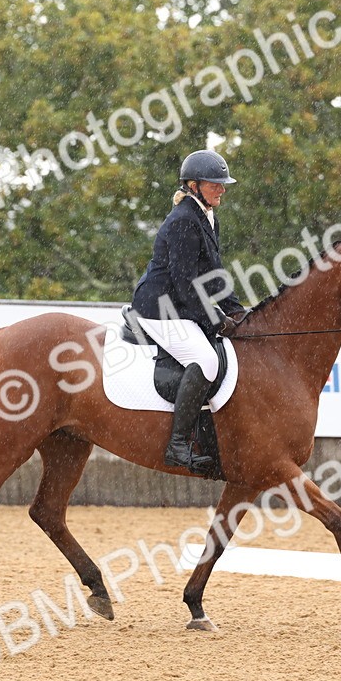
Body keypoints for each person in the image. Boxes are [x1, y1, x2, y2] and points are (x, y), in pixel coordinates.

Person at [131, 149, 248, 474]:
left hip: (179, 304)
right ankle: (178, 446)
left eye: (223, 184)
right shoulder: (184, 220)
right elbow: (185, 284)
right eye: (215, 184)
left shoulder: (207, 216)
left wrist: (237, 312)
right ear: (194, 185)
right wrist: (215, 320)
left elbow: (213, 274)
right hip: (159, 306)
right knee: (207, 360)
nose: (222, 189)